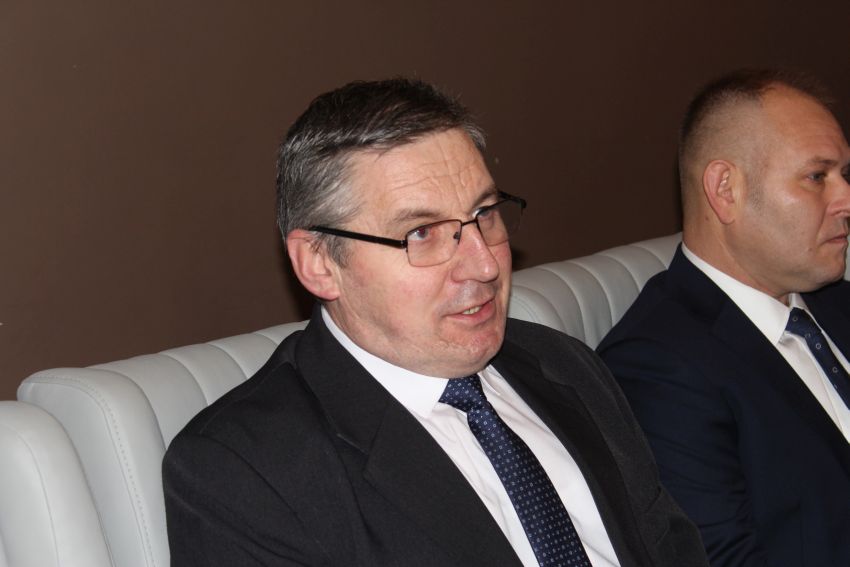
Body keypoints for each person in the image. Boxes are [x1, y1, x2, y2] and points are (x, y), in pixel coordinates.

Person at [163, 78, 707, 567]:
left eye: (485, 215)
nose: (485, 264)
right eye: (421, 233)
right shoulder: (244, 470)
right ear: (320, 263)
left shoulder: (564, 365)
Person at [598, 69, 850, 566]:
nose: (845, 200)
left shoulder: (834, 301)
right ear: (725, 189)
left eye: (845, 174)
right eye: (817, 177)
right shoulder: (656, 369)